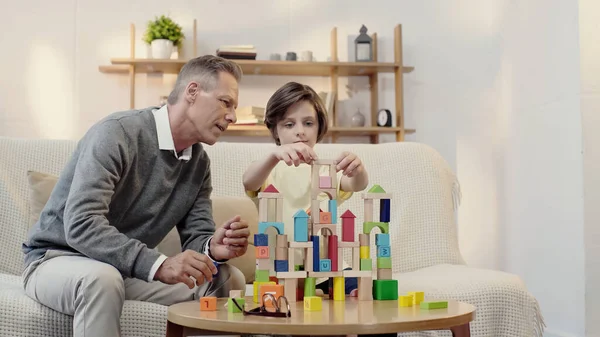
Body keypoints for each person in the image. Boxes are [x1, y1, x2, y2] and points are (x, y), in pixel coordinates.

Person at [21, 55, 250, 337]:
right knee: (101, 279)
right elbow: (81, 223)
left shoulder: (198, 163)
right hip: (57, 260)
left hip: (122, 270)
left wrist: (213, 248)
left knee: (225, 278)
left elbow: (196, 236)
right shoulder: (117, 133)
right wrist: (159, 264)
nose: (233, 116)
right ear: (192, 92)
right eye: (225, 102)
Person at [242, 81, 369, 296]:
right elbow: (249, 181)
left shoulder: (325, 170)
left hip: (327, 268)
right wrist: (274, 156)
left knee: (364, 294)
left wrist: (357, 170)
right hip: (279, 269)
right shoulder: (268, 170)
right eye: (289, 124)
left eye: (308, 123)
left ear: (319, 127)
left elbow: (356, 184)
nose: (300, 132)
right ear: (275, 130)